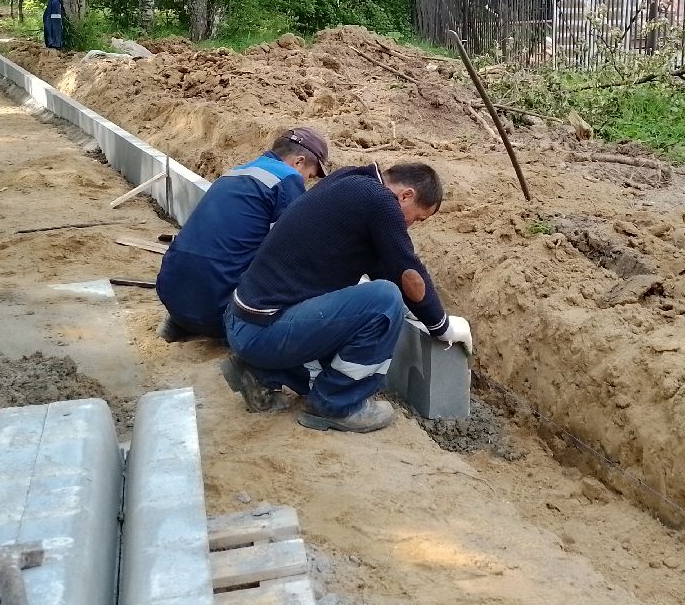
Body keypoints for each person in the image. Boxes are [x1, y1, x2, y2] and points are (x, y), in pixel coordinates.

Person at [222, 161, 472, 433]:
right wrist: (441, 326)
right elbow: (406, 269)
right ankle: (337, 406)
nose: (411, 224)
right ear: (407, 195)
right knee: (384, 301)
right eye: (418, 217)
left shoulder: (353, 182)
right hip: (263, 330)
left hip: (246, 322)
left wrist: (416, 310)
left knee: (345, 347)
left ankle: (262, 373)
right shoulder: (381, 201)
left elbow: (382, 266)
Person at [155, 127, 330, 340]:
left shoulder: (235, 172)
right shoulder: (287, 179)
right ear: (299, 162)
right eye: (309, 175)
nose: (306, 181)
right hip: (216, 309)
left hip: (171, 293)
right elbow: (293, 252)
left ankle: (184, 322)